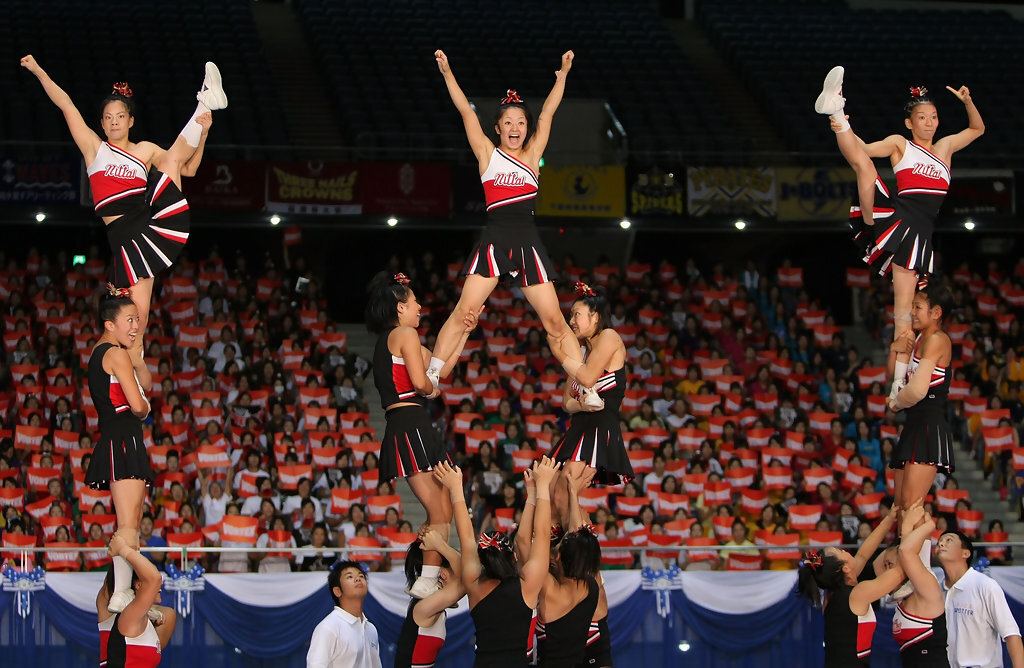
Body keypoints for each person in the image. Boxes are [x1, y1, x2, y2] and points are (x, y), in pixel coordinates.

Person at [427, 49, 598, 406]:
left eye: (521, 122)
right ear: (497, 127)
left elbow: (549, 111)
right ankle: (431, 373)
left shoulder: (534, 154)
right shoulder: (487, 154)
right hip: (493, 239)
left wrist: (563, 73)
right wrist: (446, 72)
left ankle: (584, 383)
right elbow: (464, 111)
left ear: (527, 127)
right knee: (464, 312)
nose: (515, 128)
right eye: (508, 122)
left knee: (554, 321)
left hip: (527, 241)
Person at [20, 54, 226, 334]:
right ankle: (134, 375)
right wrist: (38, 71)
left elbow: (186, 169)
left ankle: (205, 103)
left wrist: (202, 136)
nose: (114, 122)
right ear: (102, 124)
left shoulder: (146, 150)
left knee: (171, 160)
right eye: (108, 118)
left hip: (151, 222)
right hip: (126, 239)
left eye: (120, 117)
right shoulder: (95, 149)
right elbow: (65, 104)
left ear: (130, 120)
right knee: (136, 324)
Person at [814, 66, 983, 354]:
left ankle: (897, 384)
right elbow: (864, 149)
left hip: (917, 239)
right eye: (922, 118)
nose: (929, 123)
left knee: (904, 311)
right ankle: (837, 111)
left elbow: (977, 129)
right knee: (863, 166)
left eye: (933, 117)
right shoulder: (900, 143)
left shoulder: (945, 148)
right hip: (892, 218)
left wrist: (967, 102)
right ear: (909, 123)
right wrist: (844, 129)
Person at [366, 273, 478, 598]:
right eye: (414, 301)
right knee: (439, 509)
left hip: (410, 422)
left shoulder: (398, 337)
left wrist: (464, 334)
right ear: (399, 307)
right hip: (409, 421)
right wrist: (431, 391)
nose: (420, 306)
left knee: (441, 505)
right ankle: (425, 578)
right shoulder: (404, 333)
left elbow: (441, 368)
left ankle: (427, 577)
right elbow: (423, 382)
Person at [435, 457, 558, 667]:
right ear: (515, 557)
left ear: (482, 561)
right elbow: (543, 534)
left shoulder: (474, 584)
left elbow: (465, 537)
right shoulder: (527, 585)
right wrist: (540, 487)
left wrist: (456, 488)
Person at [84, 290, 153, 613]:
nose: (135, 326)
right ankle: (122, 591)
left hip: (122, 437)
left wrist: (138, 360)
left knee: (133, 519)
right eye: (130, 320)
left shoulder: (107, 351)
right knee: (128, 520)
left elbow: (147, 382)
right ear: (109, 324)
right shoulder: (114, 353)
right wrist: (145, 406)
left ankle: (123, 590)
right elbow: (140, 404)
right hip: (123, 436)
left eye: (137, 320)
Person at [549, 283, 634, 524]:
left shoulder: (610, 337)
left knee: (565, 487)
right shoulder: (581, 353)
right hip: (578, 426)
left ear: (595, 316)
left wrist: (559, 354)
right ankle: (561, 548)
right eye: (571, 315)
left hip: (599, 429)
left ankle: (574, 549)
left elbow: (586, 377)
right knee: (553, 492)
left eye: (576, 314)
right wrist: (582, 406)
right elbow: (567, 401)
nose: (572, 320)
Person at [797, 505, 903, 666]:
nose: (847, 551)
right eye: (841, 551)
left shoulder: (834, 592)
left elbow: (863, 554)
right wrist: (911, 531)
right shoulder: (857, 594)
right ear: (844, 568)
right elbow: (899, 573)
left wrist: (889, 519)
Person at [886, 284, 954, 512]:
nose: (912, 312)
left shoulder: (938, 340)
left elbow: (917, 390)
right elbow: (893, 376)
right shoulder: (916, 338)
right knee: (899, 507)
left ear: (936, 312)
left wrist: (896, 403)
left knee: (911, 506)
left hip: (928, 425)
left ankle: (913, 550)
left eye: (918, 306)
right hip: (913, 423)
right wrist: (894, 349)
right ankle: (906, 548)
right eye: (912, 306)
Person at [536, 468, 602, 668]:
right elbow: (577, 545)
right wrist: (573, 494)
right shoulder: (590, 586)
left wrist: (539, 491)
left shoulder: (551, 590)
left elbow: (535, 538)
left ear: (557, 558)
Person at [937, 530, 1024, 668]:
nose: (941, 544)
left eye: (949, 540)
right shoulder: (936, 591)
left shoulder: (985, 585)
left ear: (966, 553)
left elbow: (1012, 635)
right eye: (939, 542)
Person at [394, 529, 466, 668]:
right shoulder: (424, 606)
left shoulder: (428, 604)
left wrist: (434, 539)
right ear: (443, 573)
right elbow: (467, 576)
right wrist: (440, 546)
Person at [104, 533, 177, 667]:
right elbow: (155, 579)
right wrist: (123, 549)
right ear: (138, 585)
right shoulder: (130, 616)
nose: (160, 587)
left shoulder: (149, 620)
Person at [892, 501, 949, 666]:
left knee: (910, 503)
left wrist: (922, 525)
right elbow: (910, 552)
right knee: (909, 504)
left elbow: (906, 552)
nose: (889, 568)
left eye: (890, 563)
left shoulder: (927, 584)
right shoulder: (902, 592)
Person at [307, 561, 382, 668]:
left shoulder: (371, 629)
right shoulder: (329, 627)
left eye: (361, 576)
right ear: (337, 591)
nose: (358, 579)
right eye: (350, 576)